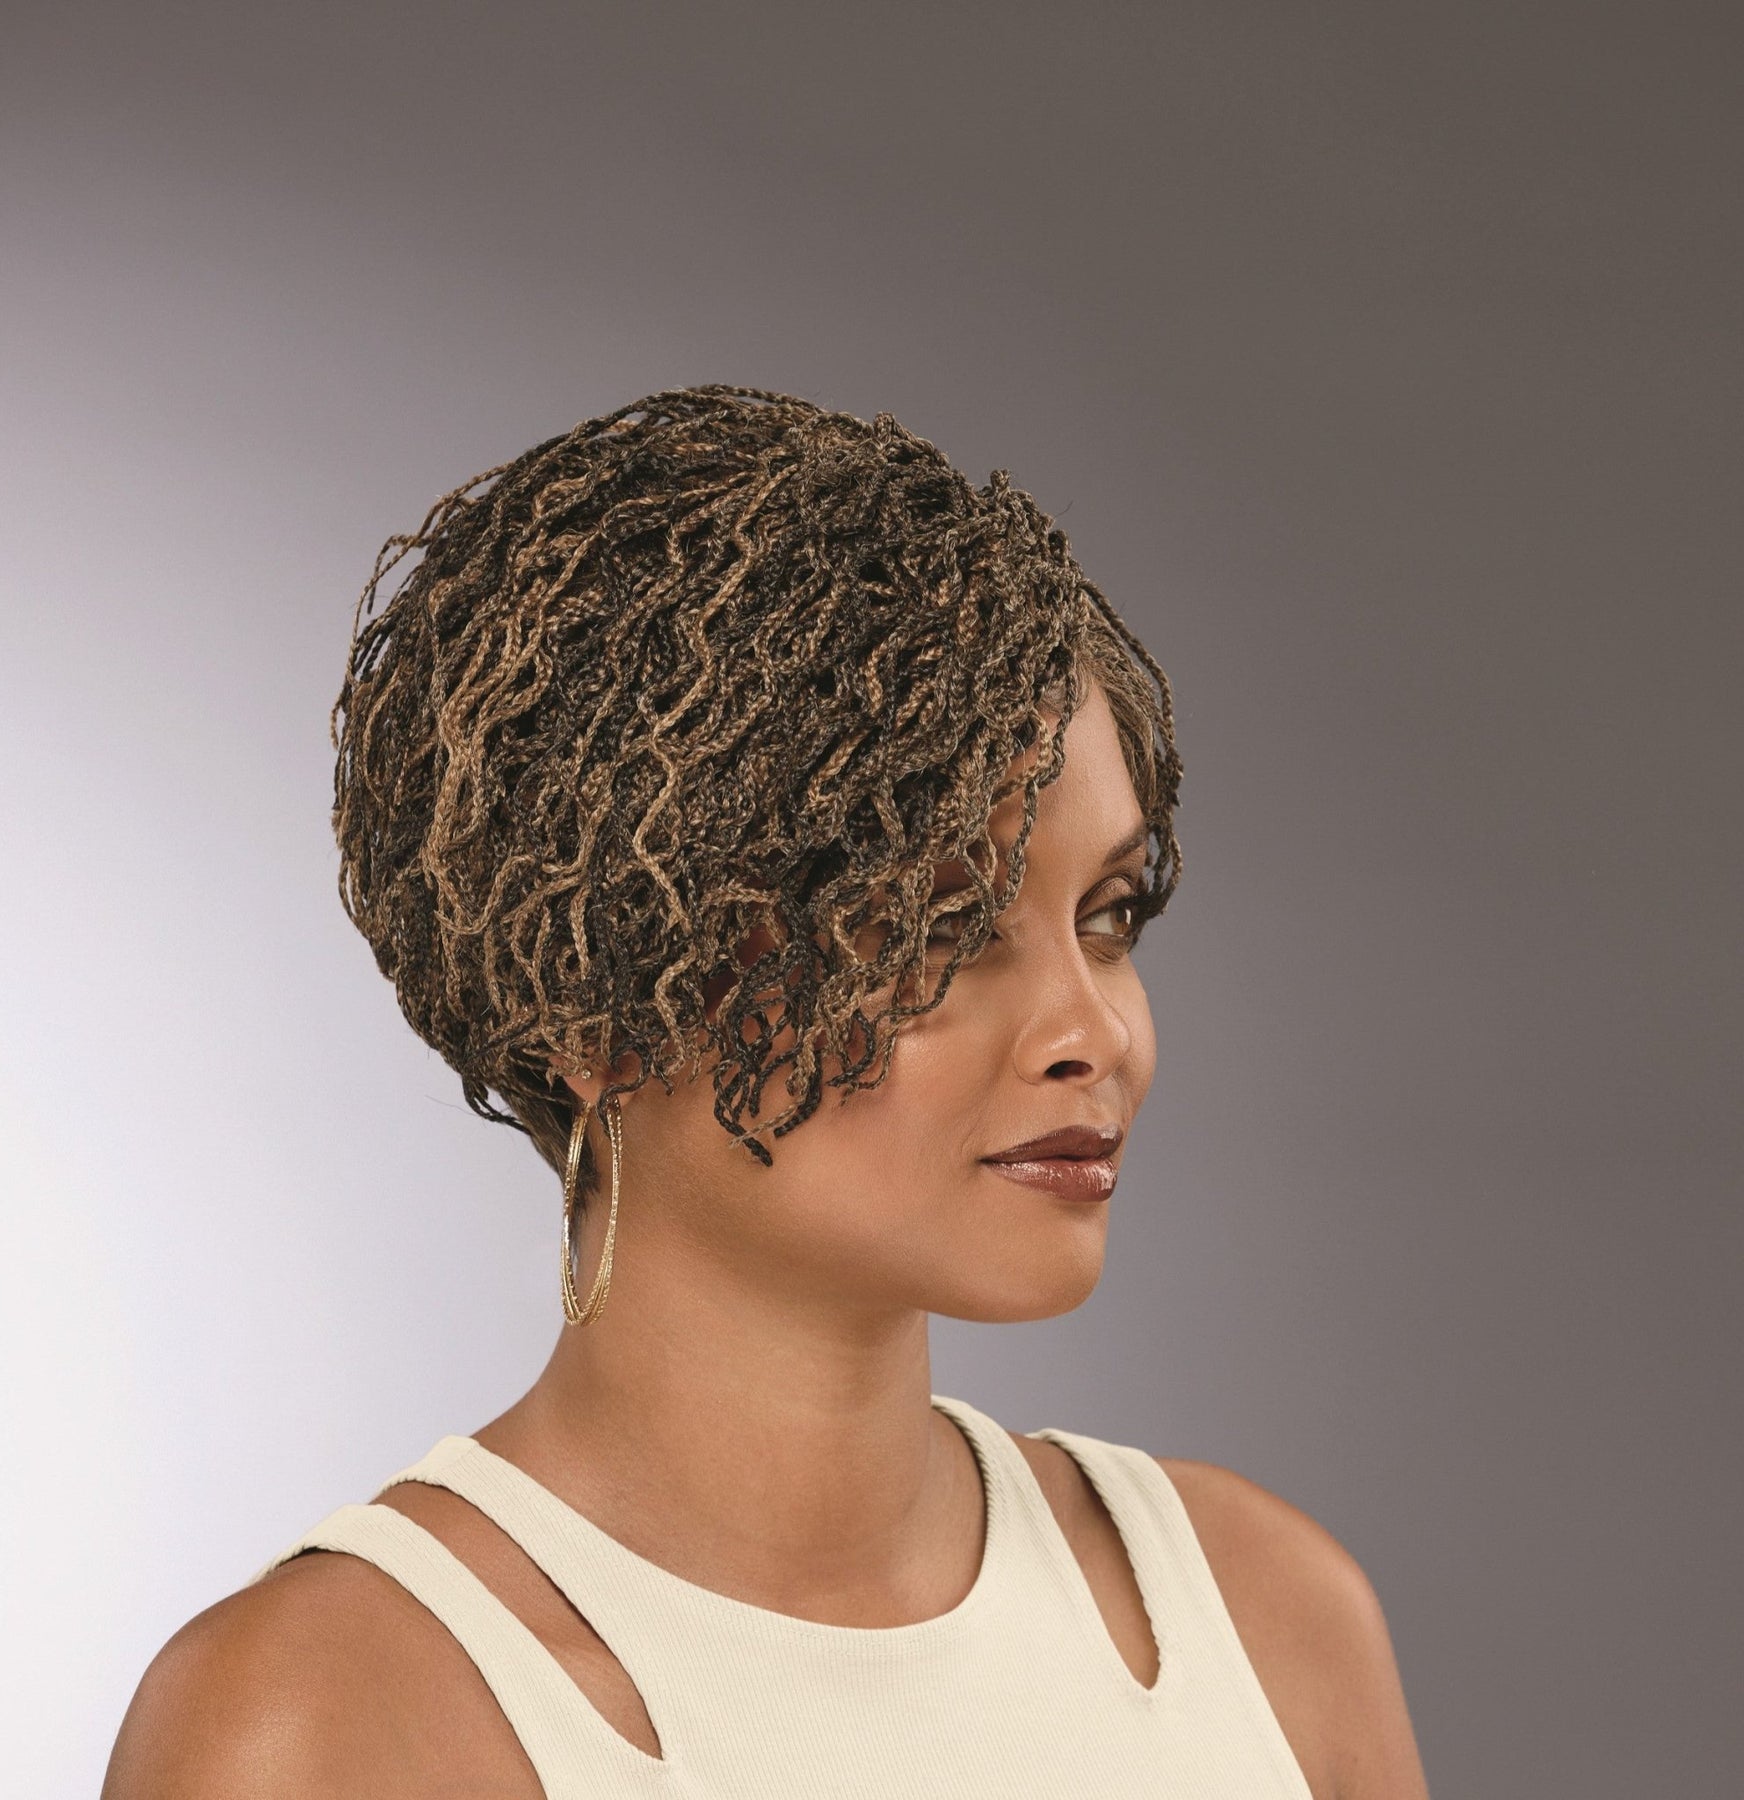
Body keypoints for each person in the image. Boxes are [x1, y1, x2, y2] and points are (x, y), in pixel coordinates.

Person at [102, 384, 1430, 1798]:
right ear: (598, 998)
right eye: (940, 931)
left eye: (1106, 917)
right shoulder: (329, 1725)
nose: (1093, 1028)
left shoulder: (1264, 1627)